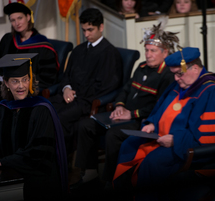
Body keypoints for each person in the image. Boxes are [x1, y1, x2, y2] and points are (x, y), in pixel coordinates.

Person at [112, 47, 215, 201]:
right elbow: (158, 111)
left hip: (189, 149)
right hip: (161, 138)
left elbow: (212, 137)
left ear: (194, 68)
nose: (176, 78)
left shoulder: (213, 91)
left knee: (152, 163)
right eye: (174, 73)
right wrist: (151, 124)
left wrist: (175, 140)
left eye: (179, 73)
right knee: (129, 145)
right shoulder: (179, 85)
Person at [72, 22, 179, 189]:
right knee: (86, 125)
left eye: (153, 51)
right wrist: (119, 106)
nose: (148, 54)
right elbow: (125, 89)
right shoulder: (142, 67)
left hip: (141, 121)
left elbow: (160, 107)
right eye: (147, 50)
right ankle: (90, 174)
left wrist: (132, 114)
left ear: (165, 53)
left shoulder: (167, 75)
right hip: (122, 115)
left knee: (112, 135)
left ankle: (112, 181)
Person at [0, 53, 68, 201]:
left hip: (39, 182)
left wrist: (2, 161)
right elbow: (9, 141)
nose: (21, 86)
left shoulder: (41, 109)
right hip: (15, 174)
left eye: (25, 79)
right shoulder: (6, 107)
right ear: (5, 83)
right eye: (15, 81)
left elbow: (38, 153)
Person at [0, 1, 59, 143]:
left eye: (20, 18)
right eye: (13, 20)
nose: (17, 23)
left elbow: (49, 76)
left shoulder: (42, 45)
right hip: (5, 86)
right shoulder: (7, 40)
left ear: (28, 17)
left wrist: (26, 82)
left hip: (26, 88)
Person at [48, 8, 123, 153]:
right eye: (84, 30)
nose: (86, 34)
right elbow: (66, 75)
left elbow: (106, 86)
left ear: (101, 27)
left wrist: (76, 94)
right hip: (70, 98)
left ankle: (63, 160)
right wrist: (67, 89)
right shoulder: (79, 50)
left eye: (90, 30)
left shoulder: (109, 53)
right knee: (44, 108)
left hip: (88, 102)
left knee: (59, 117)